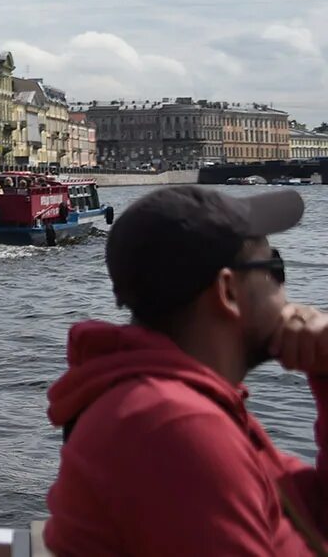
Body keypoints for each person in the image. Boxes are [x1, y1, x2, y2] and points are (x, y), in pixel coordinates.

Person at [45, 186, 328, 555]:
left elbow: (314, 516)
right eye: (275, 269)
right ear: (227, 291)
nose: (288, 295)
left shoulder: (186, 410)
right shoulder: (175, 428)